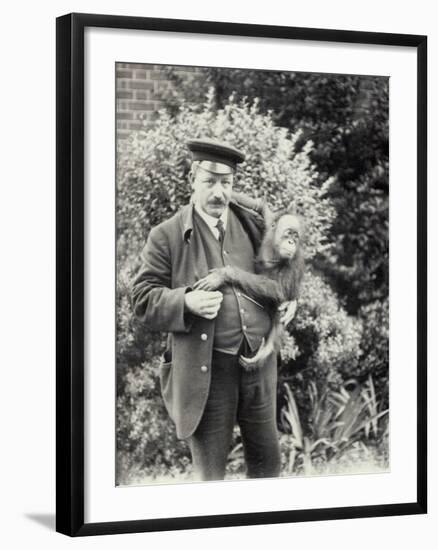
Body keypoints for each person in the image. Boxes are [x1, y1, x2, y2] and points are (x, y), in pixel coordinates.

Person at [130, 138, 296, 481]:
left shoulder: (251, 222)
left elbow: (277, 266)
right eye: (210, 181)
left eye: (226, 182)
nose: (219, 192)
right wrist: (186, 301)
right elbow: (142, 299)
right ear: (193, 178)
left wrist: (290, 295)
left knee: (268, 469)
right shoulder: (167, 235)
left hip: (258, 367)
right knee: (210, 480)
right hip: (207, 373)